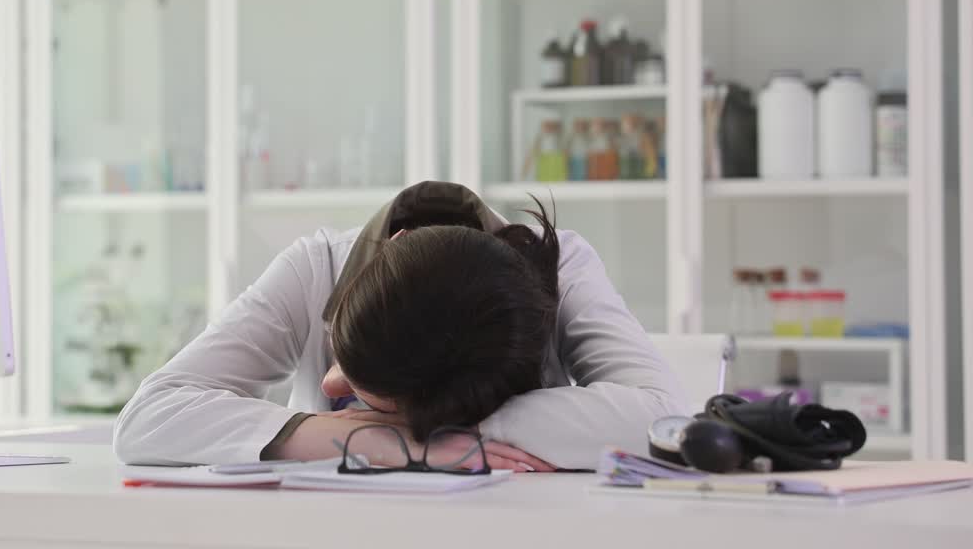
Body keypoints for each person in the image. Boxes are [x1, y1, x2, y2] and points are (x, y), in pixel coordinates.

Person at [113, 181, 687, 471]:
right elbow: (148, 418)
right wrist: (380, 440)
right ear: (395, 245)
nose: (329, 387)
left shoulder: (563, 270)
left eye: (371, 405)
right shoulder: (317, 267)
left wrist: (440, 431)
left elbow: (665, 419)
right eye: (343, 365)